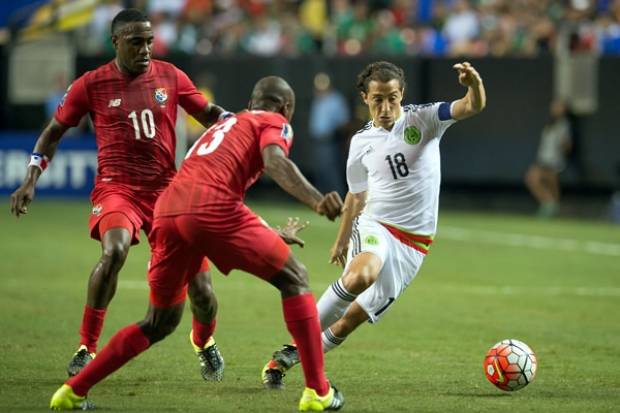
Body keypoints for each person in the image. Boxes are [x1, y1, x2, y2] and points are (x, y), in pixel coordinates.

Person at [48, 76, 346, 412]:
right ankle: (318, 391)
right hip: (210, 209)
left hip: (168, 210)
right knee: (295, 278)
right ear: (285, 107)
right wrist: (317, 200)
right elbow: (274, 162)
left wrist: (266, 231)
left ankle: (72, 392)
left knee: (159, 322)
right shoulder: (273, 121)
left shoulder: (227, 125)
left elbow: (210, 190)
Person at [10, 9, 227, 382]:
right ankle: (86, 346)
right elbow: (53, 132)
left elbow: (209, 114)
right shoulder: (91, 84)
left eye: (148, 41)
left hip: (167, 192)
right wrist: (31, 178)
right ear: (116, 42)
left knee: (202, 291)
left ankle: (203, 342)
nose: (145, 49)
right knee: (114, 251)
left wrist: (245, 126)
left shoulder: (170, 75)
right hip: (117, 188)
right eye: (135, 42)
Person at [261, 60, 486, 389]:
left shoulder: (424, 119)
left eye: (392, 98)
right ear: (365, 98)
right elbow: (356, 196)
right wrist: (341, 239)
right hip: (376, 224)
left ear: (402, 95)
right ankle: (300, 337)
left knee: (350, 320)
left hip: (415, 246)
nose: (386, 107)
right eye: (378, 99)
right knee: (361, 274)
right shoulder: (360, 142)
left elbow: (471, 106)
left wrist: (474, 84)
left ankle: (291, 354)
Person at [524, 100, 572, 219]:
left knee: (544, 183)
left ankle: (551, 207)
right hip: (543, 159)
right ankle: (550, 205)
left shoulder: (564, 124)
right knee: (535, 180)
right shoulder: (550, 124)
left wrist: (564, 146)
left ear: (564, 110)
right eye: (555, 106)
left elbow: (567, 145)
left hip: (553, 162)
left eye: (559, 107)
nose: (555, 108)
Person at [308, 72, 350, 197]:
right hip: (317, 141)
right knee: (320, 173)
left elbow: (344, 121)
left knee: (332, 173)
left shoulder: (336, 99)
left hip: (330, 141)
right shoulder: (317, 99)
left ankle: (340, 201)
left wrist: (338, 136)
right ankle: (323, 201)